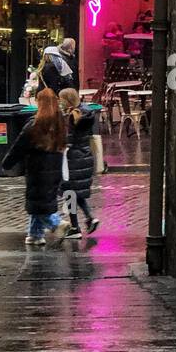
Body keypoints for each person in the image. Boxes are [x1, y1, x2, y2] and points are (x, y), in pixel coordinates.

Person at [0, 87, 68, 247]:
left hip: (37, 170)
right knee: (41, 201)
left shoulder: (34, 125)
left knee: (38, 204)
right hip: (55, 168)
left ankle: (56, 223)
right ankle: (35, 235)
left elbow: (18, 147)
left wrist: (7, 163)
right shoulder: (59, 125)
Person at [56, 87, 100, 238]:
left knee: (69, 192)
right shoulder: (86, 113)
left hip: (72, 159)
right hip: (85, 155)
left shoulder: (71, 117)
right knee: (76, 192)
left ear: (67, 100)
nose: (59, 102)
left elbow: (67, 139)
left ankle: (75, 227)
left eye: (61, 99)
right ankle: (89, 217)